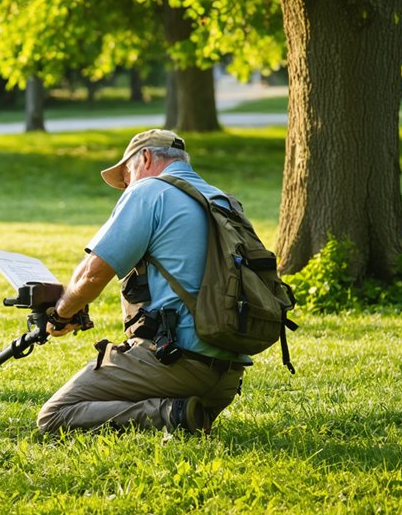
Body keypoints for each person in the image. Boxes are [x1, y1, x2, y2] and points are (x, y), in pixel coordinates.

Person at [36, 129, 248, 435]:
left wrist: (62, 313)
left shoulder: (150, 191)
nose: (126, 187)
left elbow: (92, 274)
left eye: (126, 176)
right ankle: (187, 411)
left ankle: (171, 413)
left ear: (145, 158)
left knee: (55, 416)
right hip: (228, 374)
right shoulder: (222, 200)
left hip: (177, 362)